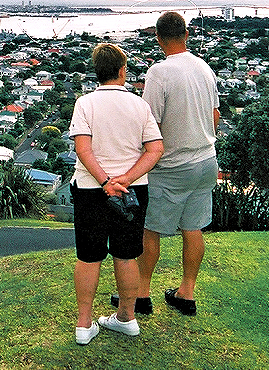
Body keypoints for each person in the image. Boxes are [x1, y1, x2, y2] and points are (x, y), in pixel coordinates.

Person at [68, 42, 164, 345]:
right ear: (122, 71)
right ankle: (127, 318)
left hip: (90, 188)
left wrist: (106, 180)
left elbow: (82, 148)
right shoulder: (139, 105)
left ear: (98, 72)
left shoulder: (85, 103)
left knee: (89, 256)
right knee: (126, 255)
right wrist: (125, 178)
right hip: (132, 190)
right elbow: (155, 149)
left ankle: (84, 325)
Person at [136, 11, 220, 317]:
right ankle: (186, 293)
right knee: (193, 227)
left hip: (172, 166)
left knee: (150, 230)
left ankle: (141, 295)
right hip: (206, 160)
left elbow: (150, 124)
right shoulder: (204, 67)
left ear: (158, 38)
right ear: (186, 34)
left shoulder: (159, 72)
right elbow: (214, 117)